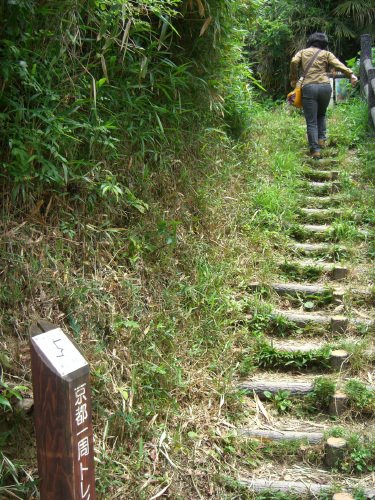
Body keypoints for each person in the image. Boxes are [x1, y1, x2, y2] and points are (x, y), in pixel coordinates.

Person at [290, 32, 358, 159]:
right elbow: (338, 64)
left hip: (309, 87)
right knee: (321, 114)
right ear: (323, 44)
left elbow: (294, 61)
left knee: (311, 121)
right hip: (325, 87)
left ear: (310, 42)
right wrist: (351, 74)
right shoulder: (327, 54)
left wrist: (293, 79)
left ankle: (315, 150)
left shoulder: (303, 52)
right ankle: (321, 139)